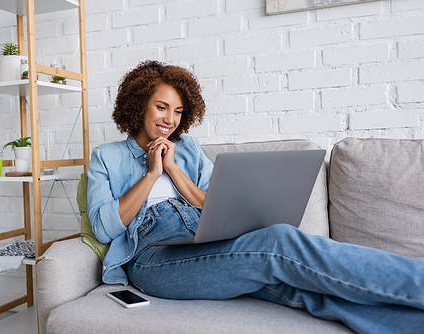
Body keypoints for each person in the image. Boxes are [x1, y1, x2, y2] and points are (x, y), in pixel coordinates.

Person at [87, 60, 424, 334]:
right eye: (162, 108)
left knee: (298, 288)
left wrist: (174, 170)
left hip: (201, 240)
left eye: (177, 112)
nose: (170, 120)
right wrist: (152, 174)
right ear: (138, 104)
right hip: (153, 258)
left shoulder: (187, 150)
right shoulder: (107, 157)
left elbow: (213, 203)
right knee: (279, 242)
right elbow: (105, 229)